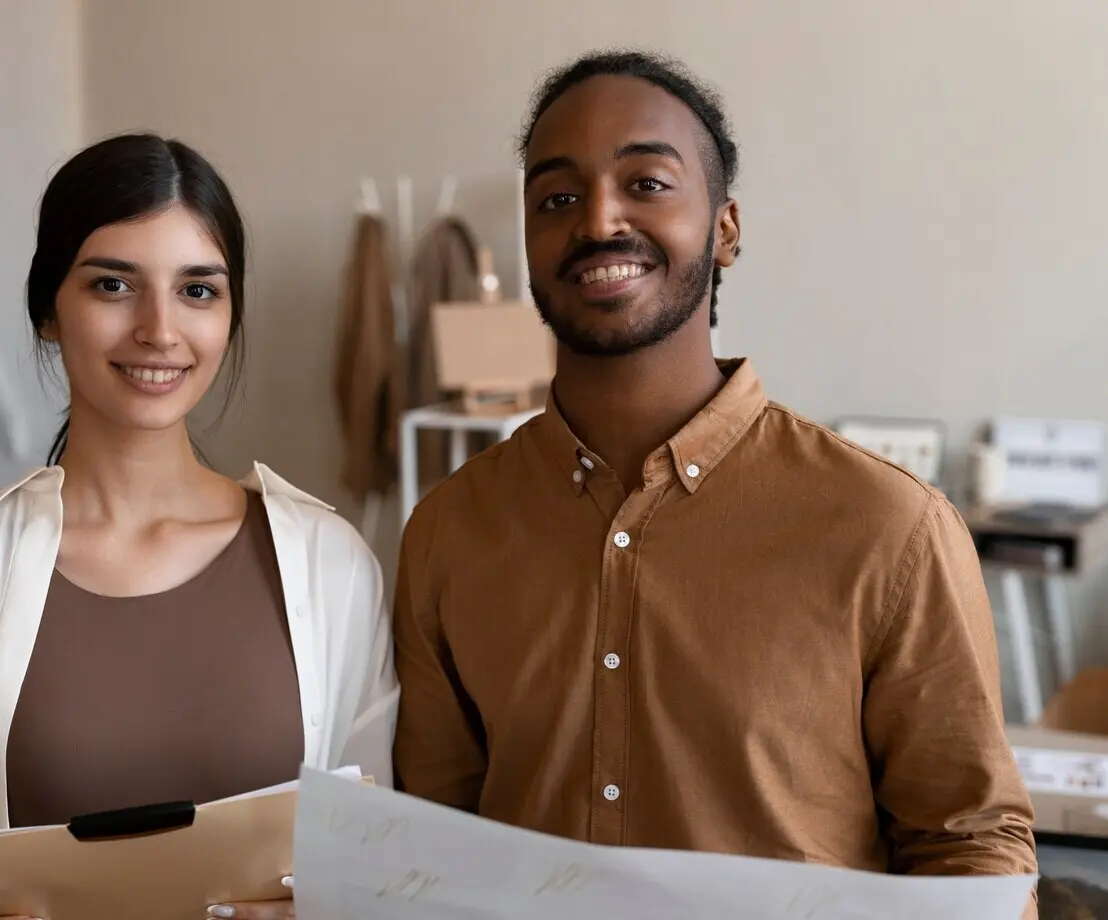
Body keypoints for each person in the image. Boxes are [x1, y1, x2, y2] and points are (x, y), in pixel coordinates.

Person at [391, 48, 1039, 914]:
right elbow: (432, 846)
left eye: (647, 183)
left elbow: (968, 845)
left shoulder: (887, 527)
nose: (597, 222)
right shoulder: (448, 531)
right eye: (557, 198)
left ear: (726, 227)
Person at [0, 133, 398, 920]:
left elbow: (376, 852)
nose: (159, 330)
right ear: (49, 310)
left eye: (199, 291)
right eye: (113, 286)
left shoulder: (333, 569)